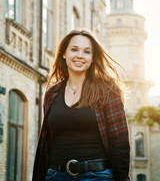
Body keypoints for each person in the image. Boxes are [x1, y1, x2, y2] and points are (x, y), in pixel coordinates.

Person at [32, 29, 130, 181]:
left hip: (97, 176)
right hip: (56, 175)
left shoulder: (107, 90)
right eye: (74, 49)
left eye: (87, 52)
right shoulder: (52, 93)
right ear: (64, 53)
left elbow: (120, 142)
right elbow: (46, 143)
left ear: (92, 58)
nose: (80, 55)